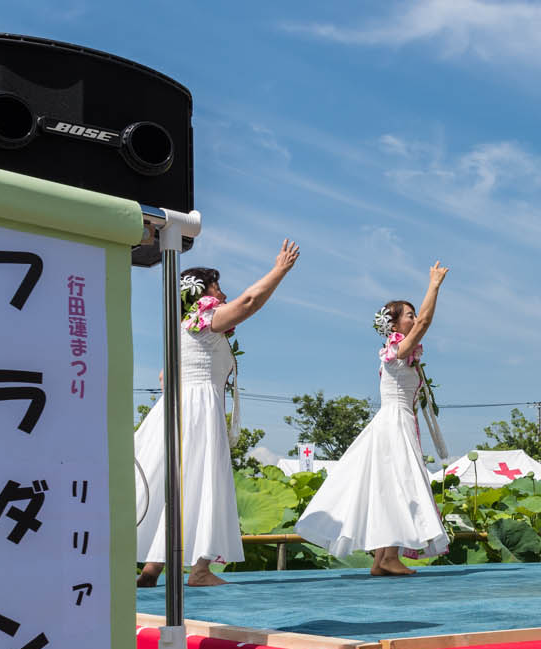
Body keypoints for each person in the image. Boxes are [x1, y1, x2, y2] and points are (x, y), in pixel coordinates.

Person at [135, 241, 299, 587]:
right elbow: (249, 302)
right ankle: (199, 570)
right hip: (198, 408)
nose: (223, 294)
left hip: (176, 406)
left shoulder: (181, 327)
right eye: (217, 288)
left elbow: (165, 377)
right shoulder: (205, 318)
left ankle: (152, 568)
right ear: (202, 294)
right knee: (202, 478)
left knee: (174, 480)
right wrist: (279, 270)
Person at [296, 263, 451, 575]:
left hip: (393, 421)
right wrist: (434, 285)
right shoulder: (396, 349)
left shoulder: (394, 351)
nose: (414, 319)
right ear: (393, 324)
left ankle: (382, 559)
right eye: (408, 315)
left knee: (389, 485)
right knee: (399, 483)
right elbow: (425, 323)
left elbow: (419, 326)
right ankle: (389, 556)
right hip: (395, 423)